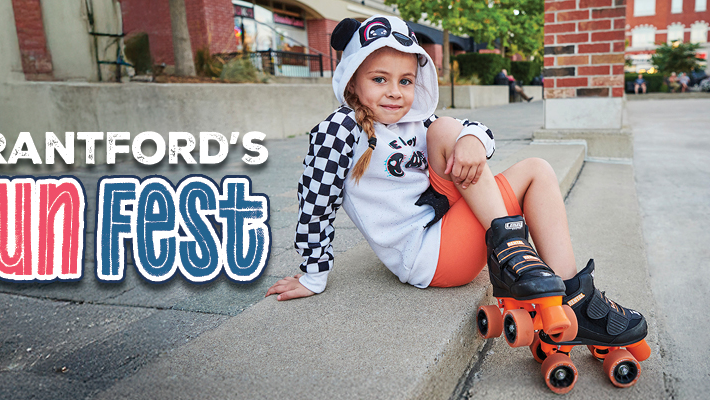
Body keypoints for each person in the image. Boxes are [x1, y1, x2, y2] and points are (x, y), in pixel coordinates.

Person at [265, 15, 647, 353]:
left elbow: (483, 135)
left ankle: (541, 272)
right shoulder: (341, 128)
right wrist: (313, 275)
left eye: (406, 80)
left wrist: (470, 141)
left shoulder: (415, 123)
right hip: (428, 256)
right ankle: (566, 294)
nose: (395, 91)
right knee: (515, 162)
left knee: (482, 144)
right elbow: (315, 200)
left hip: (447, 223)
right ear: (352, 81)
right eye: (379, 79)